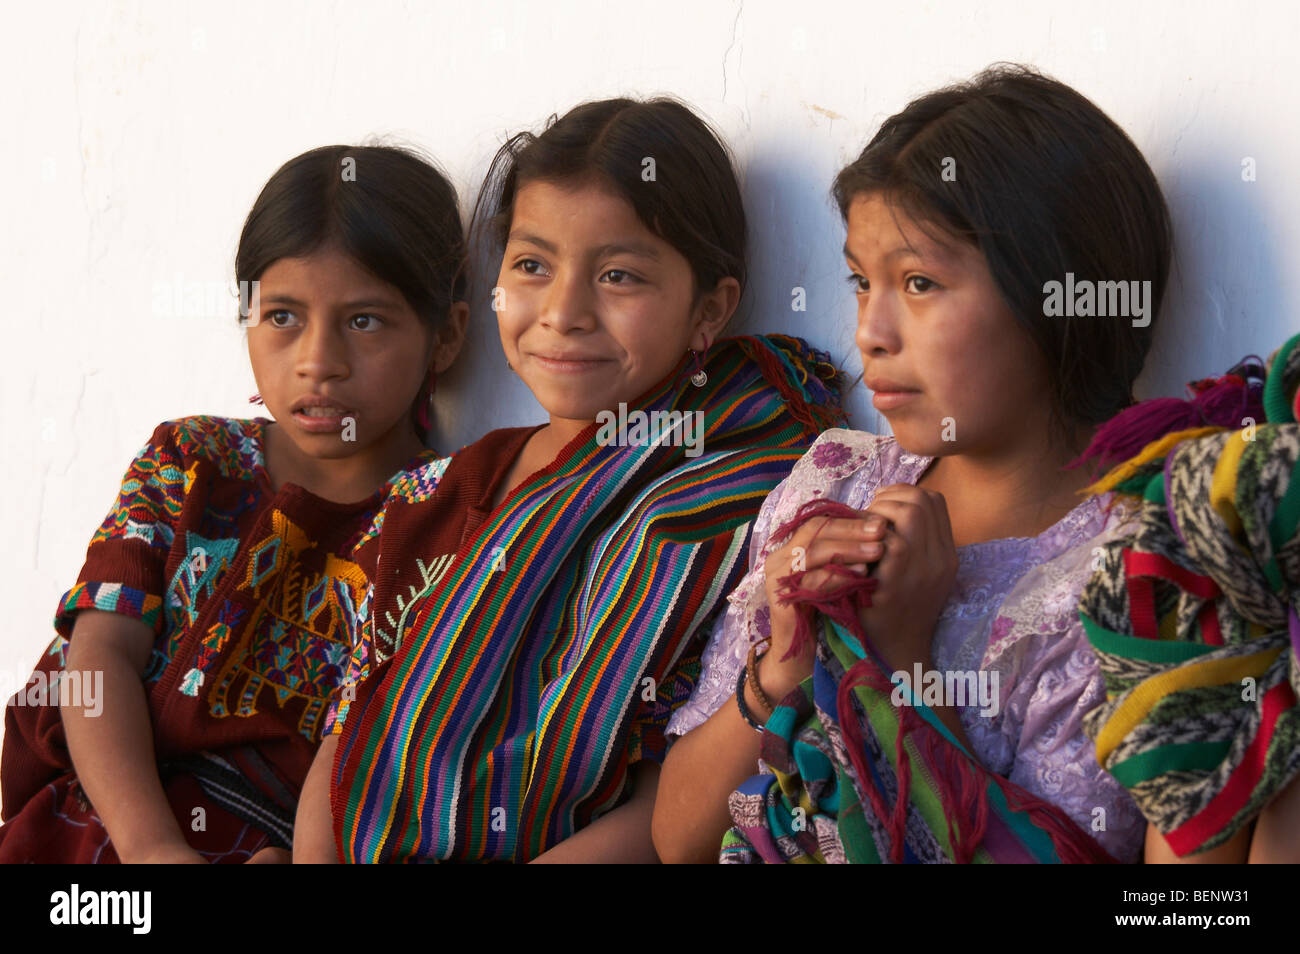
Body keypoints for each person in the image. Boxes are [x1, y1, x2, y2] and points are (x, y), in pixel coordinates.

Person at [292, 97, 845, 863]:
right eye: (531, 266)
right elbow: (349, 733)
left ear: (708, 310)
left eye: (618, 275)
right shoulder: (434, 493)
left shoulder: (733, 501)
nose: (562, 311)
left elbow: (666, 805)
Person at [654, 65, 1175, 863]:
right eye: (862, 282)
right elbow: (676, 838)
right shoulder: (834, 481)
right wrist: (786, 660)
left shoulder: (1123, 586)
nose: (871, 330)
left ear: (1060, 300)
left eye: (920, 283)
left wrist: (898, 668)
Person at [0, 143, 469, 862]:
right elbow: (95, 658)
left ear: (446, 338)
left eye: (365, 321)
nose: (318, 359)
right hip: (105, 825)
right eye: (282, 316)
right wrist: (155, 847)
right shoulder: (191, 461)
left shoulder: (445, 523)